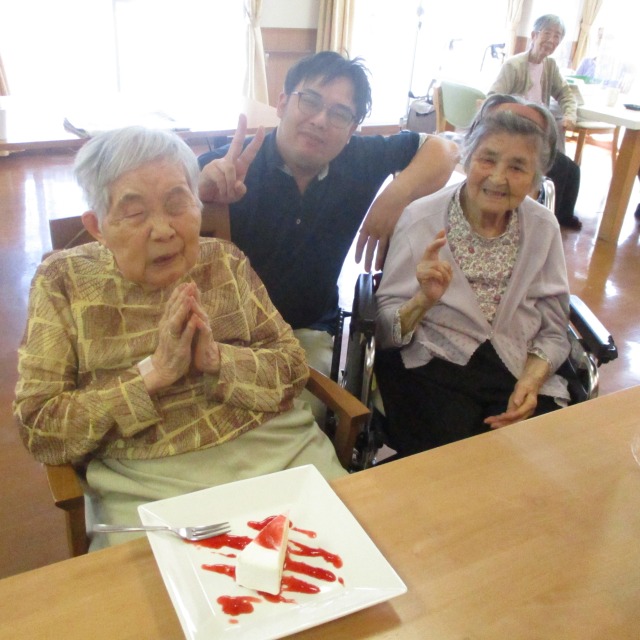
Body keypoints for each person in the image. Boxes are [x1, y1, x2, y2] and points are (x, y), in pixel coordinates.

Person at [13, 126, 346, 551]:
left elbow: (292, 368)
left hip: (279, 452)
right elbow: (40, 426)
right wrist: (152, 375)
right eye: (135, 213)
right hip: (147, 484)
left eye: (177, 204)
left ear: (197, 204)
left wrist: (217, 360)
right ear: (97, 226)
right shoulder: (63, 281)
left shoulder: (225, 261)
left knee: (350, 558)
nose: (163, 230)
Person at [197, 51, 459, 418]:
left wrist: (395, 195)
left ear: (352, 129)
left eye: (339, 114)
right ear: (282, 103)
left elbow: (445, 149)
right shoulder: (231, 166)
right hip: (224, 332)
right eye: (310, 101)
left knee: (302, 417)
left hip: (305, 329)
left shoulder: (358, 159)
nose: (321, 121)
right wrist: (201, 197)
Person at [373, 94, 571, 459]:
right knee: (456, 462)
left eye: (517, 167)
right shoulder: (420, 219)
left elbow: (556, 332)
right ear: (467, 159)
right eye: (488, 159)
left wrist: (530, 382)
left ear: (535, 179)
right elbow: (385, 333)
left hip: (516, 366)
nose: (497, 178)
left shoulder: (543, 228)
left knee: (543, 456)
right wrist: (422, 301)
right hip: (432, 368)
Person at [488, 14, 583, 230]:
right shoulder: (514, 65)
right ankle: (547, 220)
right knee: (559, 167)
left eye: (557, 36)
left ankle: (563, 217)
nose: (551, 40)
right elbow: (494, 98)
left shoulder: (550, 66)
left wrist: (569, 115)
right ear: (533, 35)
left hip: (540, 132)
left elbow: (566, 94)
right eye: (547, 34)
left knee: (573, 170)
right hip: (518, 132)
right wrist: (518, 115)